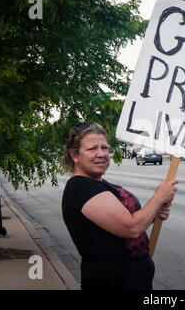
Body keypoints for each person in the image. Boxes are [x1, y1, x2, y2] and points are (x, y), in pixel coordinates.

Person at [61, 122, 178, 290]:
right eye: (92, 149)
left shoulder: (98, 184)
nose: (101, 154)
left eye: (105, 148)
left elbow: (119, 225)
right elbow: (131, 227)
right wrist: (159, 197)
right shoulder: (80, 187)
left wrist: (155, 213)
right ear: (74, 155)